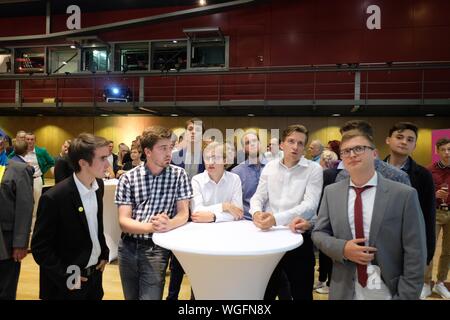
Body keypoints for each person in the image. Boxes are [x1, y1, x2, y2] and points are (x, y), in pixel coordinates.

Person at [312, 130, 426, 300]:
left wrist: (407, 295)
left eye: (359, 148)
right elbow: (319, 233)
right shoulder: (331, 192)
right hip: (344, 288)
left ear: (374, 154)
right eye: (346, 151)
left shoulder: (404, 195)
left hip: (387, 288)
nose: (352, 155)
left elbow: (416, 252)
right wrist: (342, 249)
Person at [115, 126, 192, 300]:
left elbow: (183, 214)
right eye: (163, 148)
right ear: (148, 151)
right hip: (127, 247)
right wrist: (154, 226)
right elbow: (123, 221)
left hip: (156, 249)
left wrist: (169, 223)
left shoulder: (179, 175)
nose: (168, 153)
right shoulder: (129, 178)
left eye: (170, 147)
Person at [31, 133, 110, 300]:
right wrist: (65, 276)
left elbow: (95, 226)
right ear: (83, 163)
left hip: (94, 278)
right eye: (103, 158)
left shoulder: (98, 186)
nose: (108, 164)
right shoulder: (54, 198)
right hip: (65, 285)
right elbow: (40, 248)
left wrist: (104, 252)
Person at [250, 124, 323, 300]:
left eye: (300, 143)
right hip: (270, 239)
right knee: (264, 293)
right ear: (282, 144)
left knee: (301, 293)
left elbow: (310, 205)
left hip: (298, 238)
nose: (295, 147)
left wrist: (275, 219)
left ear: (304, 146)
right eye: (291, 141)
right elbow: (257, 197)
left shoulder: (314, 169)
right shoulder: (269, 168)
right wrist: (256, 213)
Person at [383, 122, 437, 299]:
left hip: (407, 242)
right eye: (399, 137)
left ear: (414, 145)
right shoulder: (373, 170)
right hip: (379, 242)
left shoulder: (423, 175)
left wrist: (427, 253)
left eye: (410, 139)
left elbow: (428, 216)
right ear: (388, 140)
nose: (404, 142)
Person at [167, 118, 205, 300]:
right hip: (177, 212)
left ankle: (195, 298)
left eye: (197, 130)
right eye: (190, 129)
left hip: (198, 213)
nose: (193, 132)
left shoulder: (207, 156)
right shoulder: (173, 156)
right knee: (177, 262)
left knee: (197, 262)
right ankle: (172, 296)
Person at [335, 120, 411, 186]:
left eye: (358, 148)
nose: (348, 144)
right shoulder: (342, 176)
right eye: (345, 139)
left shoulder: (397, 177)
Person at [8, 132, 55, 235]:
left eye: (31, 139)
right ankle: (24, 229)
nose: (29, 141)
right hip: (23, 181)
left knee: (36, 206)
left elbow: (52, 162)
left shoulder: (41, 151)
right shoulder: (20, 150)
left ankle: (33, 230)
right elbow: (9, 160)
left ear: (35, 141)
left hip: (36, 179)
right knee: (24, 204)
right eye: (27, 139)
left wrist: (42, 170)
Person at [0, 160, 34, 299]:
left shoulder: (18, 170)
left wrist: (20, 243)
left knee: (5, 290)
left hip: (5, 243)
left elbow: (24, 208)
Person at [191, 142, 243, 223]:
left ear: (225, 160)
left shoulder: (234, 179)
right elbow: (196, 212)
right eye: (207, 158)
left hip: (229, 228)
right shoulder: (196, 180)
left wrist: (214, 217)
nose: (210, 162)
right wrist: (224, 206)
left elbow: (238, 213)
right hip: (202, 229)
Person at [424, 137, 450, 299]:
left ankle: (440, 283)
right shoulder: (429, 170)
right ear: (437, 151)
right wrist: (434, 195)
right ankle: (426, 283)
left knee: (448, 251)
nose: (447, 153)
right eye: (444, 150)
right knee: (430, 249)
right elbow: (423, 195)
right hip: (435, 212)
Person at [232, 132, 266, 221]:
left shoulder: (273, 168)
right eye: (247, 143)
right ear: (243, 149)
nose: (252, 144)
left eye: (254, 141)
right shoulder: (236, 172)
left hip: (272, 219)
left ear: (260, 144)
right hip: (247, 221)